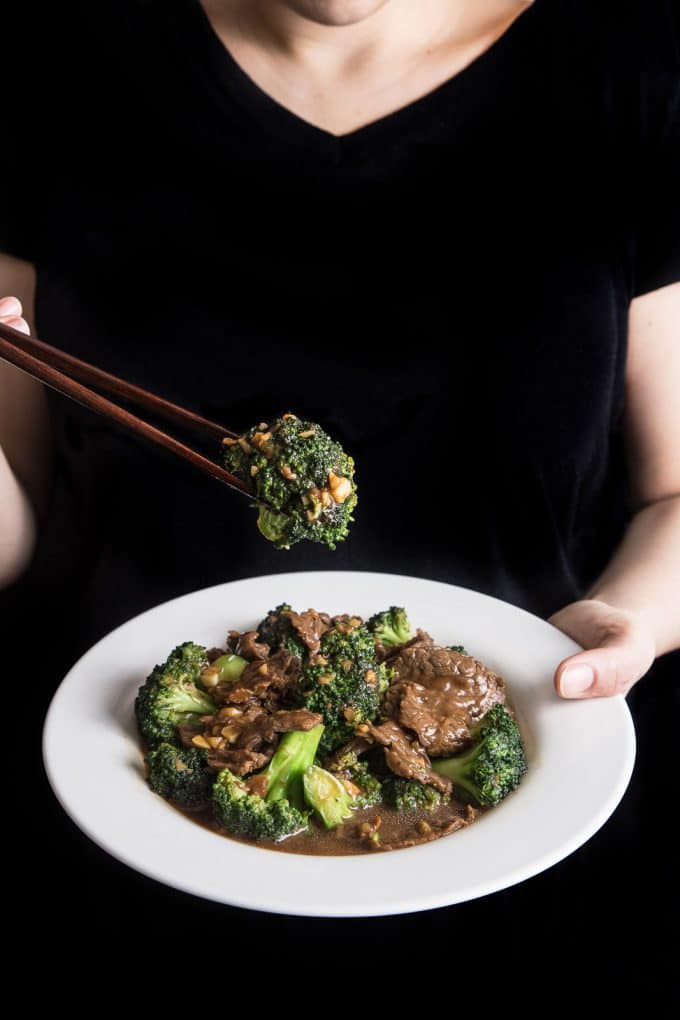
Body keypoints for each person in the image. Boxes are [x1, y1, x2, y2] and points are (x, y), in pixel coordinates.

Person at [1, 0, 678, 978]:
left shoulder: (625, 71)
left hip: (537, 865)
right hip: (114, 843)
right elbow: (13, 503)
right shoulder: (52, 63)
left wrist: (630, 616)